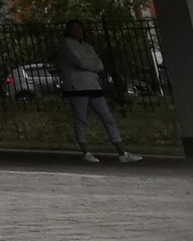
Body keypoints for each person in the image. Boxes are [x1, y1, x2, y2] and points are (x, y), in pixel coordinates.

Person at [58, 19, 140, 165]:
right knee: (81, 119)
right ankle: (86, 152)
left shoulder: (87, 46)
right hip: (77, 86)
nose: (78, 31)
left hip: (93, 85)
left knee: (107, 117)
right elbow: (80, 62)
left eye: (80, 28)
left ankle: (122, 152)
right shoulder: (66, 45)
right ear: (69, 30)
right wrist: (91, 64)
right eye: (74, 28)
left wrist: (89, 64)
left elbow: (99, 64)